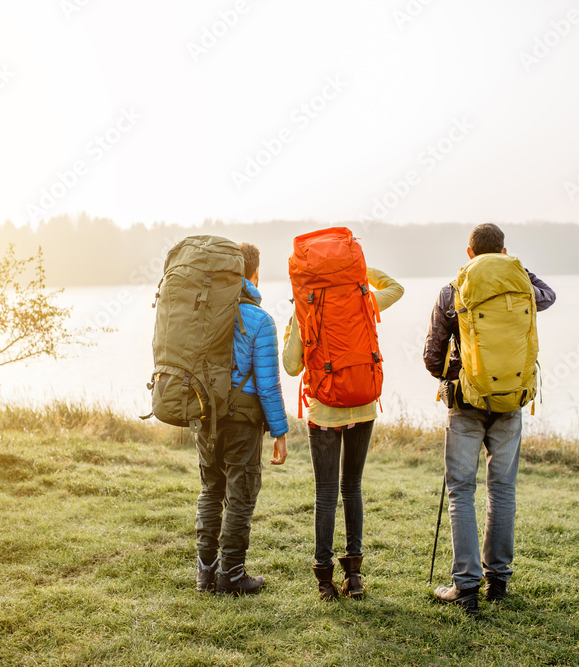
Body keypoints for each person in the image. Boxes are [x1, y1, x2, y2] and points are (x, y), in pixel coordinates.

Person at [423, 223, 556, 614]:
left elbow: (432, 358)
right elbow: (549, 296)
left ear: (469, 253)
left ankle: (464, 587)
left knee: (461, 490)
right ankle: (498, 581)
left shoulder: (453, 291)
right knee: (502, 490)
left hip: (465, 403)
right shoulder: (524, 288)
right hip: (511, 400)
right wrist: (515, 272)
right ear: (503, 250)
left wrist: (453, 373)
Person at [283, 265, 403, 600]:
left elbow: (292, 367)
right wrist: (361, 272)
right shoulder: (364, 300)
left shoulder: (305, 307)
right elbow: (396, 288)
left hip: (324, 410)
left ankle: (325, 582)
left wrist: (292, 329)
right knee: (352, 487)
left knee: (325, 493)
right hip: (364, 406)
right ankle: (355, 577)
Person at [195, 242, 289, 596]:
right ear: (254, 274)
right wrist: (280, 431)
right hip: (242, 422)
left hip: (205, 418)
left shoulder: (201, 310)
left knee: (210, 489)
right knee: (240, 495)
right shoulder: (259, 319)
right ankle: (232, 576)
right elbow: (267, 386)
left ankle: (206, 575)